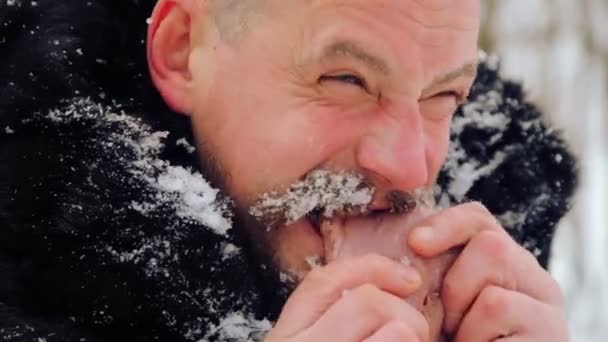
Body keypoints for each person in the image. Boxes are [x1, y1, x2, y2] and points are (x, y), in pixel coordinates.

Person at [0, 0, 577, 341]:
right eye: (346, 80)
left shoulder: (485, 268)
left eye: (445, 95)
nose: (409, 168)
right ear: (181, 52)